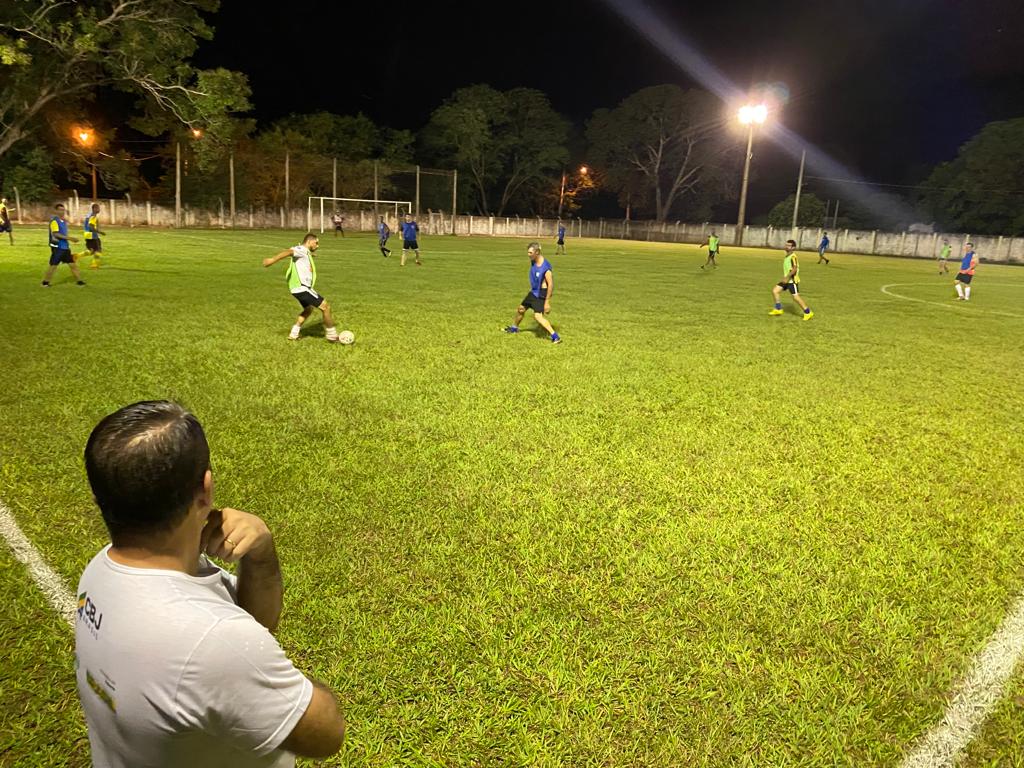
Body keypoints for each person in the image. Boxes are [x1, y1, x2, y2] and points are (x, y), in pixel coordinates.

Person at [75, 400, 345, 767]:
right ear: (206, 488)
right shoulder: (211, 643)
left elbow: (257, 623)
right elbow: (327, 734)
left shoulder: (102, 568)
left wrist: (260, 552)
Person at [262, 233, 342, 342]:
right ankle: (332, 336)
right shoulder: (301, 249)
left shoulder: (305, 252)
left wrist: (310, 255)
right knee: (325, 307)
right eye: (316, 243)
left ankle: (294, 333)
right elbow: (289, 252)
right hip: (302, 288)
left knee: (308, 309)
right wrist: (272, 260)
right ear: (309, 242)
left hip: (297, 289)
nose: (317, 246)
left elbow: (299, 255)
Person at [503, 242, 562, 344]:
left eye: (530, 253)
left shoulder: (546, 267)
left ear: (537, 252)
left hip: (540, 293)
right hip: (533, 292)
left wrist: (547, 302)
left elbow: (551, 285)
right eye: (528, 252)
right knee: (521, 309)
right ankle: (514, 328)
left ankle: (555, 337)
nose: (528, 255)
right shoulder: (534, 260)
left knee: (538, 317)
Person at [769, 239, 814, 321]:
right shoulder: (787, 256)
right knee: (775, 291)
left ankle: (808, 312)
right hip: (786, 280)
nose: (786, 246)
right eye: (786, 245)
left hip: (792, 280)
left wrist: (787, 278)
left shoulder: (793, 257)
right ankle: (778, 309)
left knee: (796, 297)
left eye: (789, 246)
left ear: (793, 248)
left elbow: (794, 269)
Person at [42, 203, 84, 287]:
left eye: (63, 210)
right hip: (58, 248)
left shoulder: (64, 221)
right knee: (53, 266)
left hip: (65, 248)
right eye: (60, 210)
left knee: (72, 264)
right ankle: (45, 283)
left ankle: (79, 281)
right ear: (56, 211)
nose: (62, 212)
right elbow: (56, 234)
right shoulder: (54, 221)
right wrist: (70, 238)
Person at [77, 203, 105, 268]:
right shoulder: (93, 216)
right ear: (94, 209)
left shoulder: (88, 215)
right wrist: (100, 232)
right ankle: (94, 265)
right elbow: (91, 227)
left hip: (87, 235)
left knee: (91, 251)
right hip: (93, 235)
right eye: (98, 208)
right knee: (98, 250)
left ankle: (76, 256)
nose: (99, 209)